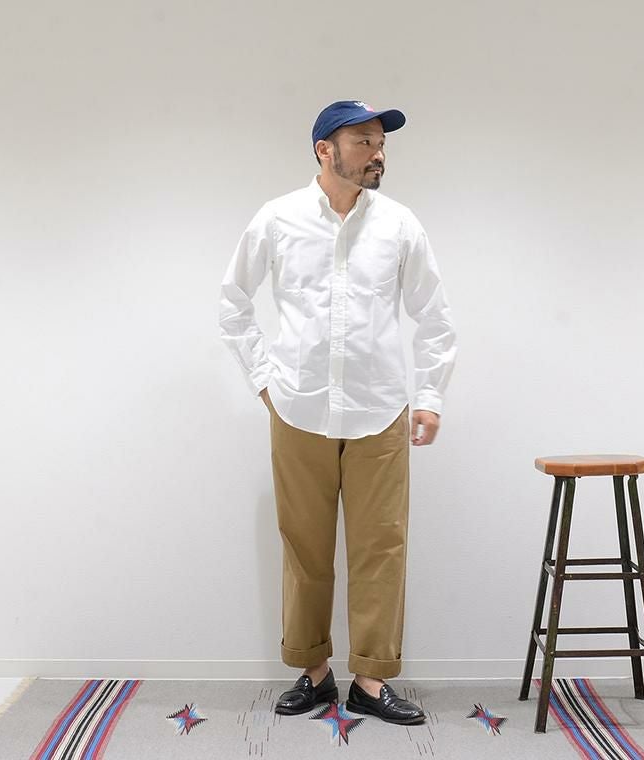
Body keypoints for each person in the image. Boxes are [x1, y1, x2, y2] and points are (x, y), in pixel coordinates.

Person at [218, 100, 457, 725]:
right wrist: (264, 382)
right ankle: (315, 672)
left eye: (381, 143)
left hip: (380, 411)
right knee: (304, 546)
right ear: (325, 149)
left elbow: (434, 316)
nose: (378, 153)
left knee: (382, 546)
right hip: (298, 409)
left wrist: (430, 396)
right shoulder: (277, 220)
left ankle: (371, 683)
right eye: (363, 141)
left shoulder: (400, 224)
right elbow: (233, 302)